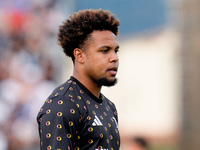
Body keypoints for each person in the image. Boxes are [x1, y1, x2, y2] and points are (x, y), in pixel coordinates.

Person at [37, 8, 120, 150]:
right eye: (104, 50)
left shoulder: (109, 107)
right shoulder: (62, 105)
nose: (115, 58)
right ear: (79, 56)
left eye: (116, 50)